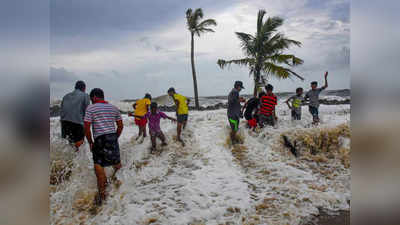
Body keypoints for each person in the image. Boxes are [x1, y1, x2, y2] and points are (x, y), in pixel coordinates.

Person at [84, 88, 123, 205]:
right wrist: (115, 137)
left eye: (91, 99)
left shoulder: (91, 108)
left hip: (100, 139)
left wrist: (90, 142)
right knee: (117, 165)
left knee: (98, 167)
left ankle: (102, 197)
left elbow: (86, 127)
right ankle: (119, 190)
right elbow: (120, 126)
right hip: (112, 138)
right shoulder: (113, 108)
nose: (91, 101)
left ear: (95, 97)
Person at [60, 80, 90, 151]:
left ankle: (67, 161)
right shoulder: (85, 95)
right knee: (78, 146)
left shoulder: (65, 96)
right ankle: (75, 161)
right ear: (84, 88)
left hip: (64, 123)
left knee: (68, 145)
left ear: (75, 87)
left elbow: (62, 111)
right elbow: (87, 111)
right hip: (77, 124)